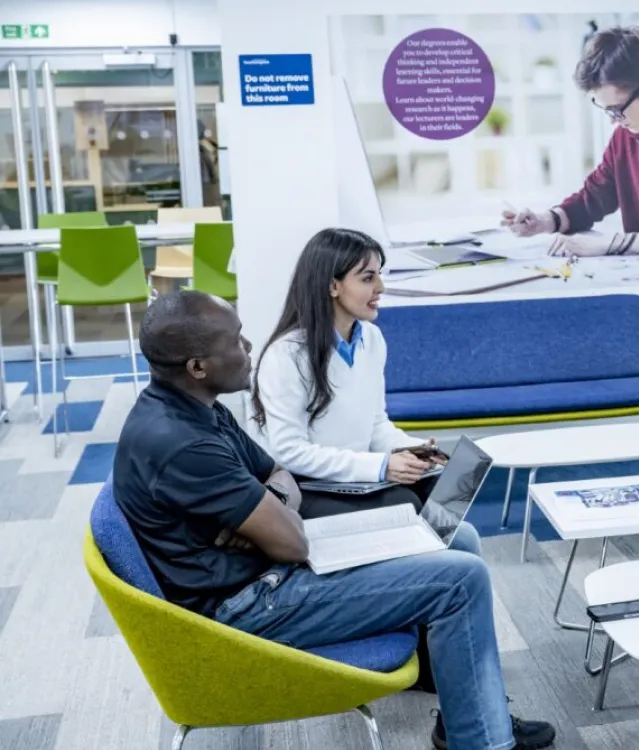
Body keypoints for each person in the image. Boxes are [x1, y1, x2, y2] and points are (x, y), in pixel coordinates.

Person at [113, 291, 555, 750]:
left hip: (264, 570)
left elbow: (276, 473)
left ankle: (470, 718)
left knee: (454, 537)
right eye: (235, 340)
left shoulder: (199, 410)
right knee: (460, 580)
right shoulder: (184, 443)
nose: (248, 347)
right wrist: (275, 522)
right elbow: (292, 544)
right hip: (246, 607)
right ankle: (483, 742)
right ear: (197, 367)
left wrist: (266, 509)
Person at [250, 227, 466, 532]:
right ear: (332, 286)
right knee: (406, 505)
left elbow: (376, 424)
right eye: (367, 278)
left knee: (445, 486)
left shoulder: (372, 339)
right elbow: (290, 452)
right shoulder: (286, 355)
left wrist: (414, 450)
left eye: (379, 275)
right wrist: (380, 467)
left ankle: (450, 575)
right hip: (308, 488)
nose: (381, 287)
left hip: (358, 478)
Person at [501, 25, 639, 258]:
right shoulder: (626, 135)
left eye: (617, 110)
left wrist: (611, 244)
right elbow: (593, 198)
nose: (612, 122)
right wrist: (544, 221)